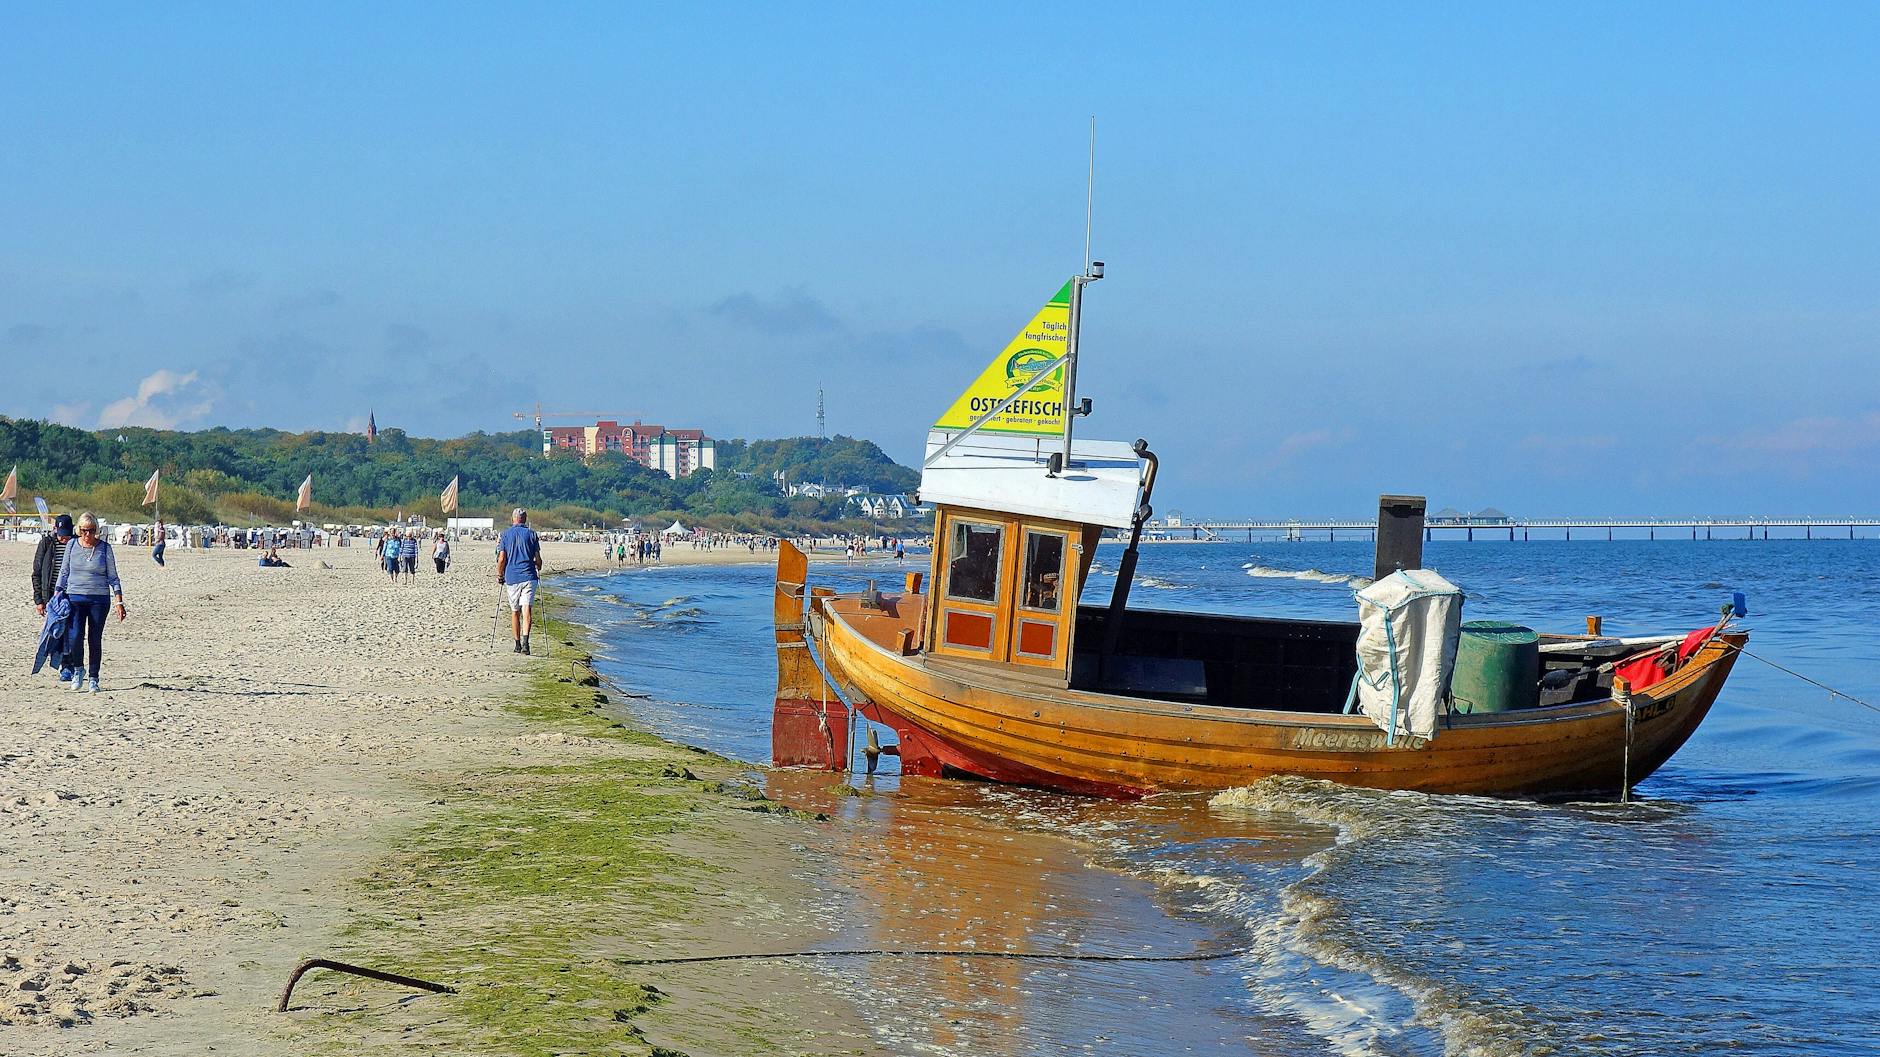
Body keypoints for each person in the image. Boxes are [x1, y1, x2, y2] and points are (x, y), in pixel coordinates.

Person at [54, 513, 127, 693]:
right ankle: (78, 669)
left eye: (91, 530)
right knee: (75, 636)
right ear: (79, 530)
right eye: (84, 530)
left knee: (95, 639)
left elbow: (113, 577)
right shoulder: (71, 545)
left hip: (99, 599)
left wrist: (119, 602)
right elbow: (64, 572)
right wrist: (57, 594)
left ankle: (94, 678)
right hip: (74, 598)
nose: (87, 534)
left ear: (96, 530)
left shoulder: (105, 548)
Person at [32, 514, 76, 681]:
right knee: (55, 630)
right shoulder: (46, 543)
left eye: (67, 535)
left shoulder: (76, 542)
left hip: (73, 593)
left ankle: (68, 666)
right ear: (55, 529)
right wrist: (39, 600)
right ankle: (56, 661)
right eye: (61, 535)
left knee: (72, 632)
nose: (64, 538)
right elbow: (36, 572)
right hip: (51, 595)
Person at [496, 507, 542, 654]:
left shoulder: (506, 534)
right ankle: (526, 643)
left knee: (515, 611)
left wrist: (500, 575)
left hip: (512, 577)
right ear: (525, 519)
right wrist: (538, 566)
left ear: (513, 518)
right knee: (527, 609)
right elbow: (538, 559)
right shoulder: (532, 534)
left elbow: (502, 558)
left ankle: (517, 645)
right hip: (529, 576)